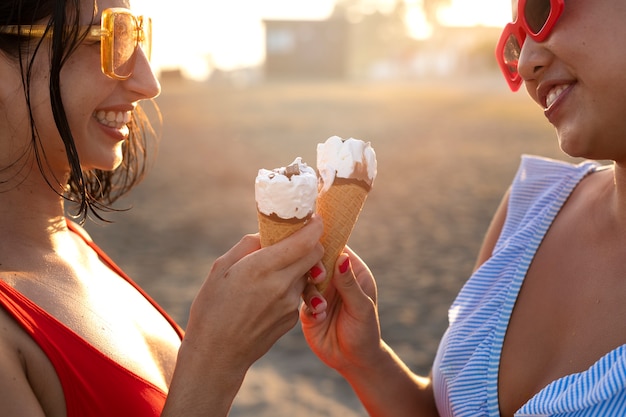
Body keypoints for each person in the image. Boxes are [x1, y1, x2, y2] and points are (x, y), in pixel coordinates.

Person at [0, 1, 327, 416]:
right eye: (112, 39)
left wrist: (366, 362)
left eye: (138, 35)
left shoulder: (71, 246)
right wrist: (214, 363)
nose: (148, 82)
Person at [300, 0, 626, 416]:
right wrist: (364, 359)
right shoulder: (531, 207)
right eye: (516, 42)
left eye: (541, 10)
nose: (526, 64)